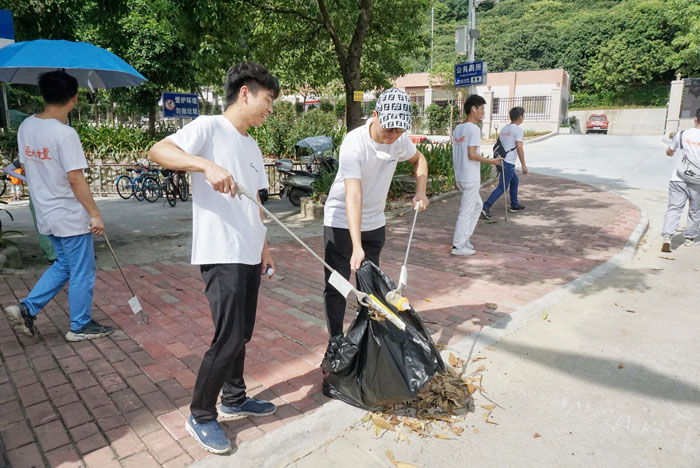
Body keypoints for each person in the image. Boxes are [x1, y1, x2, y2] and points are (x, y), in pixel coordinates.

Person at [148, 61, 279, 455]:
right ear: (246, 92)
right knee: (228, 336)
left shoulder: (251, 144)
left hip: (249, 251)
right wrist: (205, 164)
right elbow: (158, 151)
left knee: (244, 332)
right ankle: (201, 415)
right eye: (268, 100)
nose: (270, 109)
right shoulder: (208, 128)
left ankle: (235, 397)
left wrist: (265, 248)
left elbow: (256, 200)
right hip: (221, 252)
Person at [3, 70, 112, 342]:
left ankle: (27, 308)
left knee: (64, 265)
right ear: (74, 98)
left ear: (44, 95)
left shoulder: (27, 126)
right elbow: (76, 178)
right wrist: (95, 214)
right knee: (82, 271)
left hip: (46, 214)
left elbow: (26, 168)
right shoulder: (65, 134)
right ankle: (80, 325)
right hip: (70, 216)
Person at [323, 88, 429, 338]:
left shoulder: (399, 140)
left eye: (399, 130)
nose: (393, 135)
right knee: (337, 284)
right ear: (375, 115)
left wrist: (421, 191)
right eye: (389, 129)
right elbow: (353, 195)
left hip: (374, 222)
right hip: (341, 221)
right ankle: (336, 341)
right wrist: (356, 245)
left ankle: (365, 339)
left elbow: (419, 160)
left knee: (370, 286)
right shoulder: (354, 143)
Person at [451, 94, 503, 256]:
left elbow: (456, 154)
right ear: (473, 109)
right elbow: (472, 155)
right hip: (470, 177)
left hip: (461, 176)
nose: (483, 113)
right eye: (481, 109)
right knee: (466, 211)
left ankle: (464, 239)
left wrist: (455, 176)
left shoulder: (458, 129)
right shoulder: (473, 129)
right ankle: (458, 246)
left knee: (478, 206)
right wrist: (493, 162)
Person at [661, 107, 700, 252]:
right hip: (698, 181)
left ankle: (667, 236)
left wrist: (671, 152)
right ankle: (689, 237)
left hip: (678, 178)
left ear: (695, 119)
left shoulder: (683, 134)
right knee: (695, 210)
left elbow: (670, 151)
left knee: (674, 208)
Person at [2, 160, 57, 263]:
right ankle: (58, 254)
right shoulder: (42, 155)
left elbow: (7, 169)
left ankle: (51, 254)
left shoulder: (28, 155)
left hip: (37, 192)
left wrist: (27, 179)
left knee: (41, 224)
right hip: (51, 191)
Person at [481, 106, 528, 220]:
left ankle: (514, 205)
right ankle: (485, 207)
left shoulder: (504, 129)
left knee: (515, 181)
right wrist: (523, 165)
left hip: (500, 161)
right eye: (523, 115)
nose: (523, 117)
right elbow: (519, 148)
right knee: (502, 187)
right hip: (508, 163)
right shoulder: (518, 130)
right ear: (520, 117)